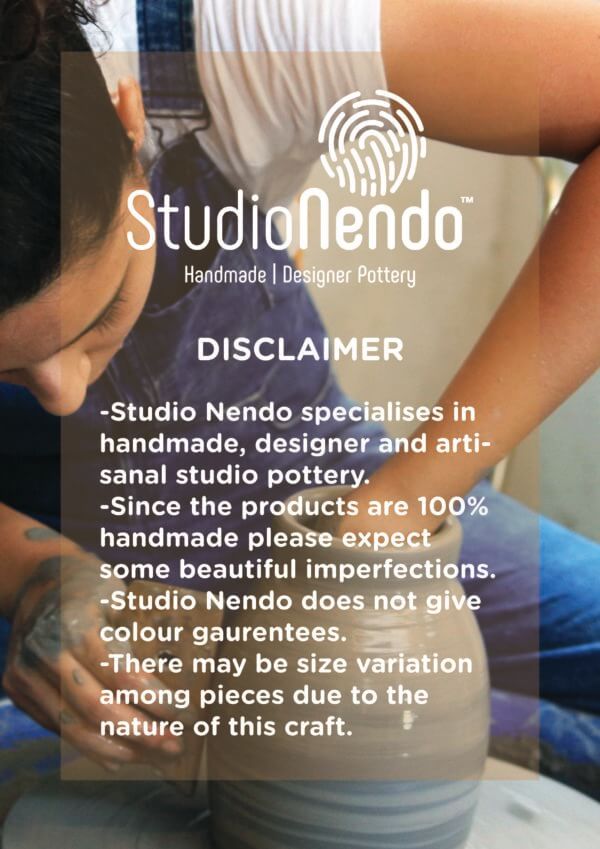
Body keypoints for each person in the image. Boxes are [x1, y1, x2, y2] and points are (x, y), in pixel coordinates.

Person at [0, 0, 599, 778]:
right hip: (37, 523)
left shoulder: (237, 32)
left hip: (305, 482)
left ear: (129, 122)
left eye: (103, 310)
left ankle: (475, 719)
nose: (64, 394)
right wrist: (30, 573)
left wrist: (402, 503)